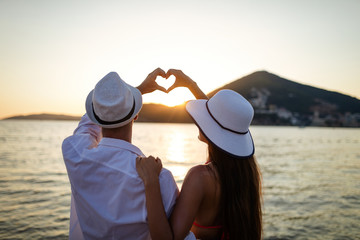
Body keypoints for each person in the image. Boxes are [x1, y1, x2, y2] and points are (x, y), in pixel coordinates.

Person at [136, 69, 263, 240]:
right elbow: (221, 120)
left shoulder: (201, 177)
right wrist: (190, 84)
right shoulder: (245, 172)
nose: (200, 121)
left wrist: (150, 181)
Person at [62, 68, 180, 239]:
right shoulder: (161, 179)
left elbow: (86, 126)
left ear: (96, 116)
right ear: (136, 115)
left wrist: (138, 90)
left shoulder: (74, 154)